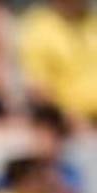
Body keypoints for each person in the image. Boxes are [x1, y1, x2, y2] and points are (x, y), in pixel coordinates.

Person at [17, 0, 97, 129]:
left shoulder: (92, 20)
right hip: (67, 126)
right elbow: (38, 89)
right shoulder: (37, 27)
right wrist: (70, 119)